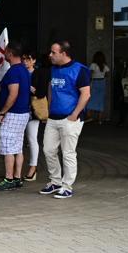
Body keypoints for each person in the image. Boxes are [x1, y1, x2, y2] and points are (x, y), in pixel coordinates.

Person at [40, 40, 90, 199]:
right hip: (53, 117)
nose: (50, 55)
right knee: (48, 150)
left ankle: (67, 185)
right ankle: (55, 181)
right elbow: (50, 87)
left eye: (53, 52)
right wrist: (49, 108)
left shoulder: (80, 70)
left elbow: (86, 94)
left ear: (64, 53)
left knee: (68, 153)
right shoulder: (53, 69)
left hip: (70, 119)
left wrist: (75, 114)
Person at [0, 43, 31, 190]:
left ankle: (9, 179)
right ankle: (17, 178)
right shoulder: (24, 70)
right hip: (24, 113)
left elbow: (13, 93)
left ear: (10, 53)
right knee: (18, 147)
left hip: (13, 114)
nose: (3, 54)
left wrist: (2, 112)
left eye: (5, 51)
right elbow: (15, 87)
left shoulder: (12, 72)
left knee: (7, 147)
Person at [22, 51, 47, 182]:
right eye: (24, 59)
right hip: (20, 109)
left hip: (33, 110)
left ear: (34, 60)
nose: (25, 62)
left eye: (28, 59)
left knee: (32, 138)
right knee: (17, 140)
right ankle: (14, 169)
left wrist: (32, 89)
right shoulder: (19, 72)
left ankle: (33, 167)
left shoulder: (39, 73)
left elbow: (42, 93)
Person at [86, 51, 110, 124]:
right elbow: (107, 75)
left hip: (95, 82)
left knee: (91, 99)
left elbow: (90, 74)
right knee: (100, 100)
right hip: (102, 83)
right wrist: (102, 75)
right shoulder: (104, 65)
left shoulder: (93, 65)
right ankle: (100, 120)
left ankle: (89, 116)